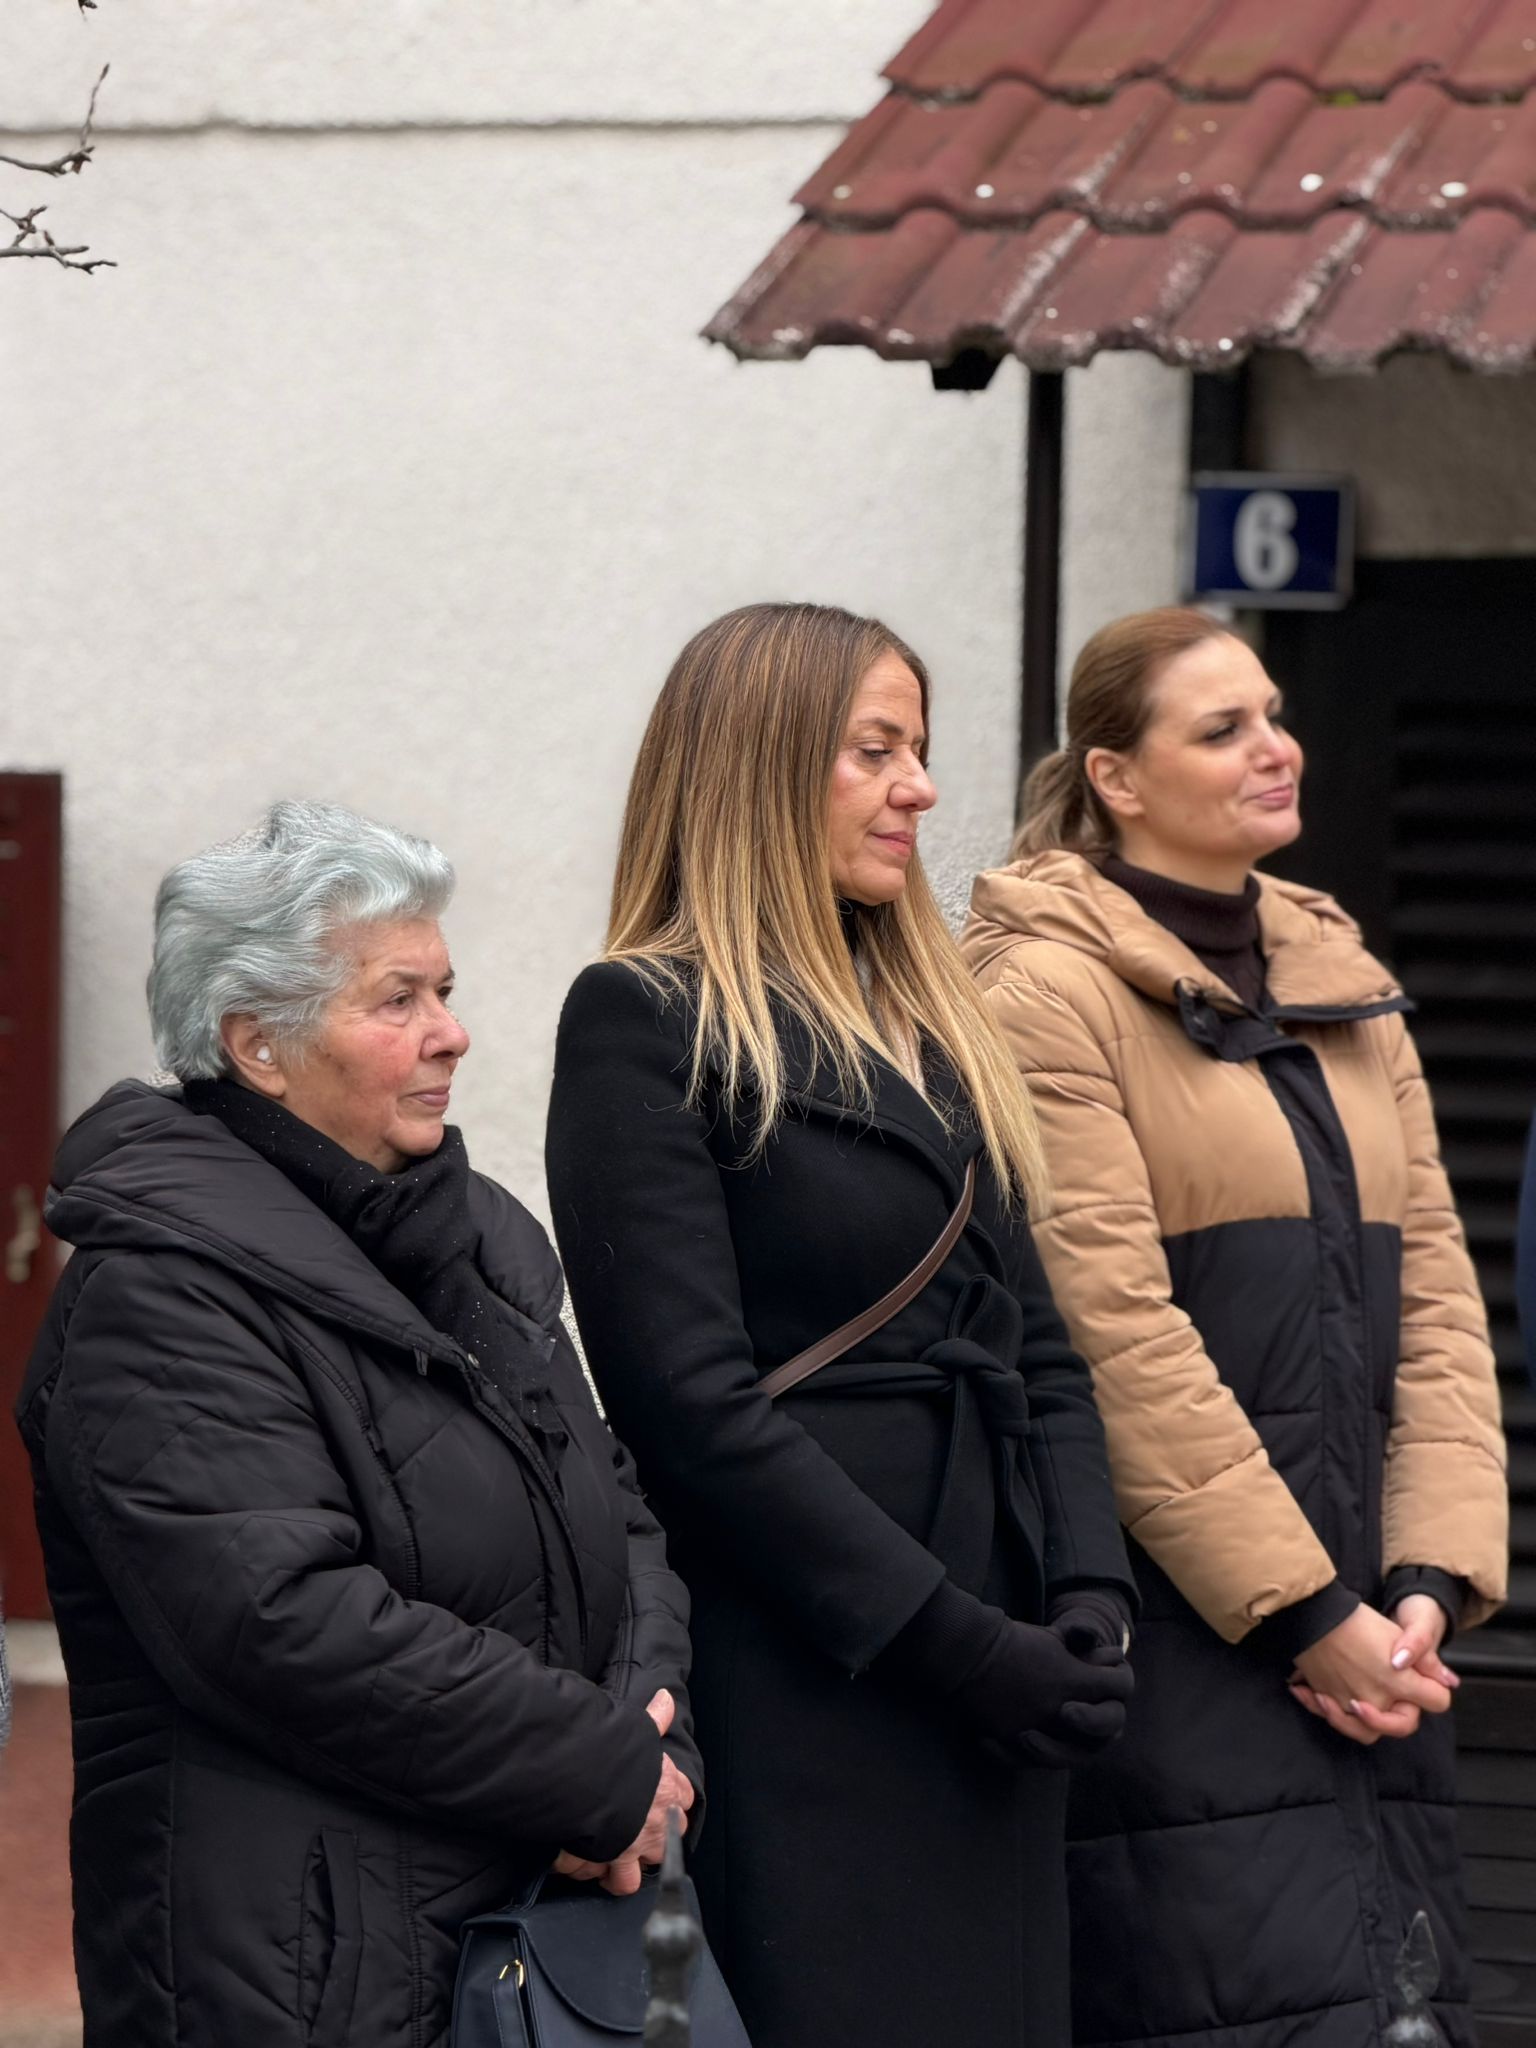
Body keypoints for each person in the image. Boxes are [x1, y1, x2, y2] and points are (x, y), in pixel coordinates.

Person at [545, 601, 1137, 2048]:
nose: (920, 789)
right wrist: (954, 1645)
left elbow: (1040, 1349)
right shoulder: (640, 1018)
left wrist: (1088, 1598)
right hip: (815, 1666)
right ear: (760, 763)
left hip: (1000, 1657)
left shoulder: (936, 1025)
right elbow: (688, 1409)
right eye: (876, 750)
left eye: (918, 750)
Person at [17, 800, 699, 2048]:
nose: (453, 1031)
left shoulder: (476, 1245)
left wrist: (646, 1748)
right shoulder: (159, 1292)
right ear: (257, 1045)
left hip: (531, 1920)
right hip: (307, 1966)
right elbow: (280, 1620)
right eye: (398, 999)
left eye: (445, 989)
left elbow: (617, 1508)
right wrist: (590, 1770)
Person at [960, 607, 1508, 2048]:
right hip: (1185, 1646)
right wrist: (1305, 1615)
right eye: (1224, 729)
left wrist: (1425, 1583)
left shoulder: (1341, 978)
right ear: (1116, 777)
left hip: (1378, 1651)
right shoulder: (1044, 990)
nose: (1278, 748)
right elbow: (1112, 1334)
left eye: (1273, 713)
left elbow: (1440, 1303)